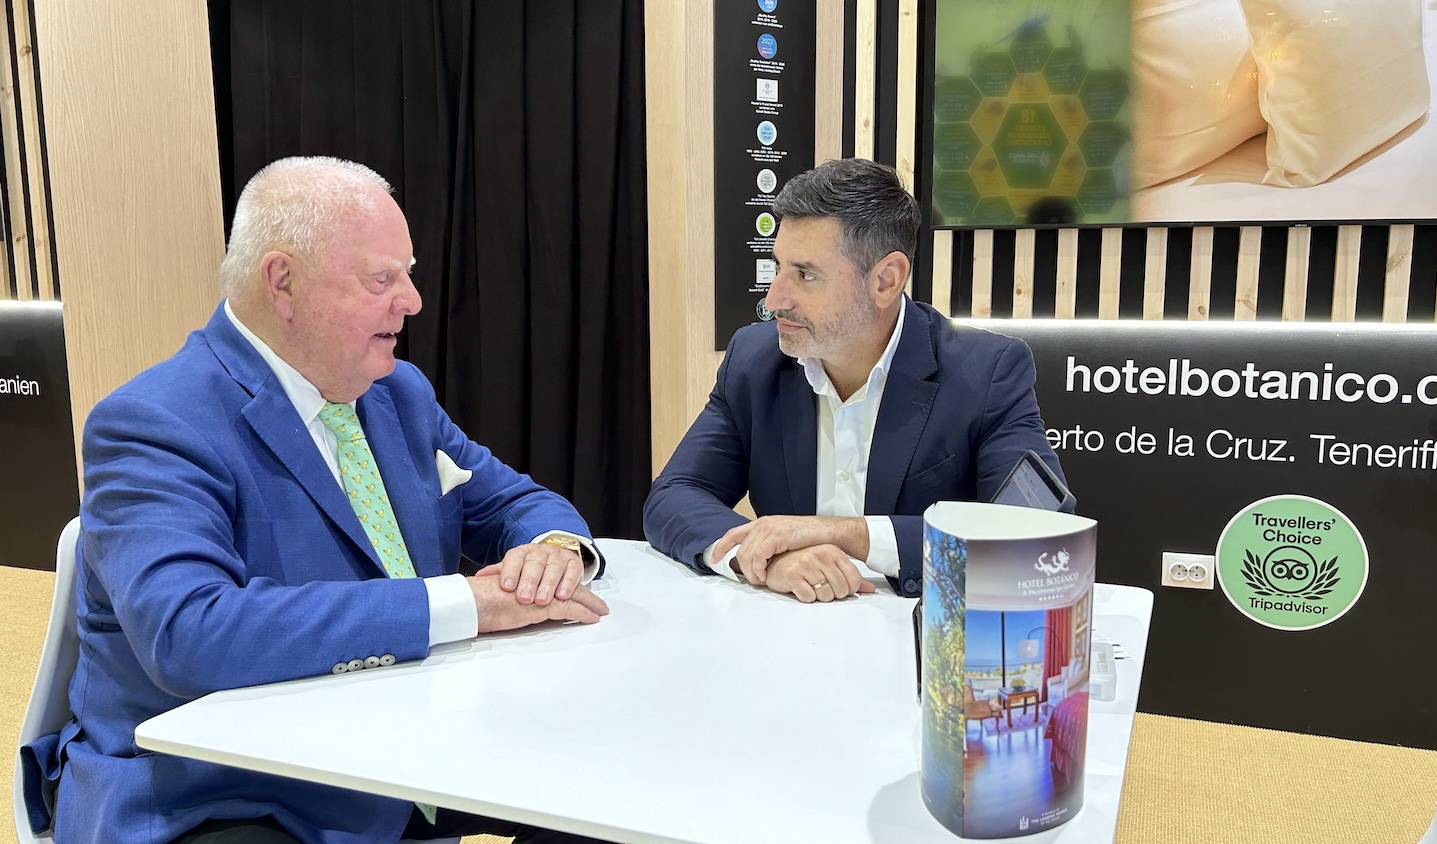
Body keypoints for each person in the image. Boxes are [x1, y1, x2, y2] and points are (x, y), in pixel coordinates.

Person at [22, 157, 611, 843]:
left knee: (617, 795)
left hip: (394, 745)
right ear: (283, 283)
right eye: (382, 279)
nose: (413, 301)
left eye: (408, 273)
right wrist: (468, 604)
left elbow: (511, 502)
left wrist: (553, 549)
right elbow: (189, 632)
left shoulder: (397, 393)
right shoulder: (154, 421)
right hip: (220, 789)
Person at [642, 158, 1063, 601]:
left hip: (919, 629)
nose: (774, 298)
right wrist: (767, 557)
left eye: (805, 275)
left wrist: (849, 535)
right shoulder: (754, 360)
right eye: (777, 266)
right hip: (787, 623)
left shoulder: (986, 372)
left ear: (886, 280)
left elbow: (1038, 538)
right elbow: (674, 494)